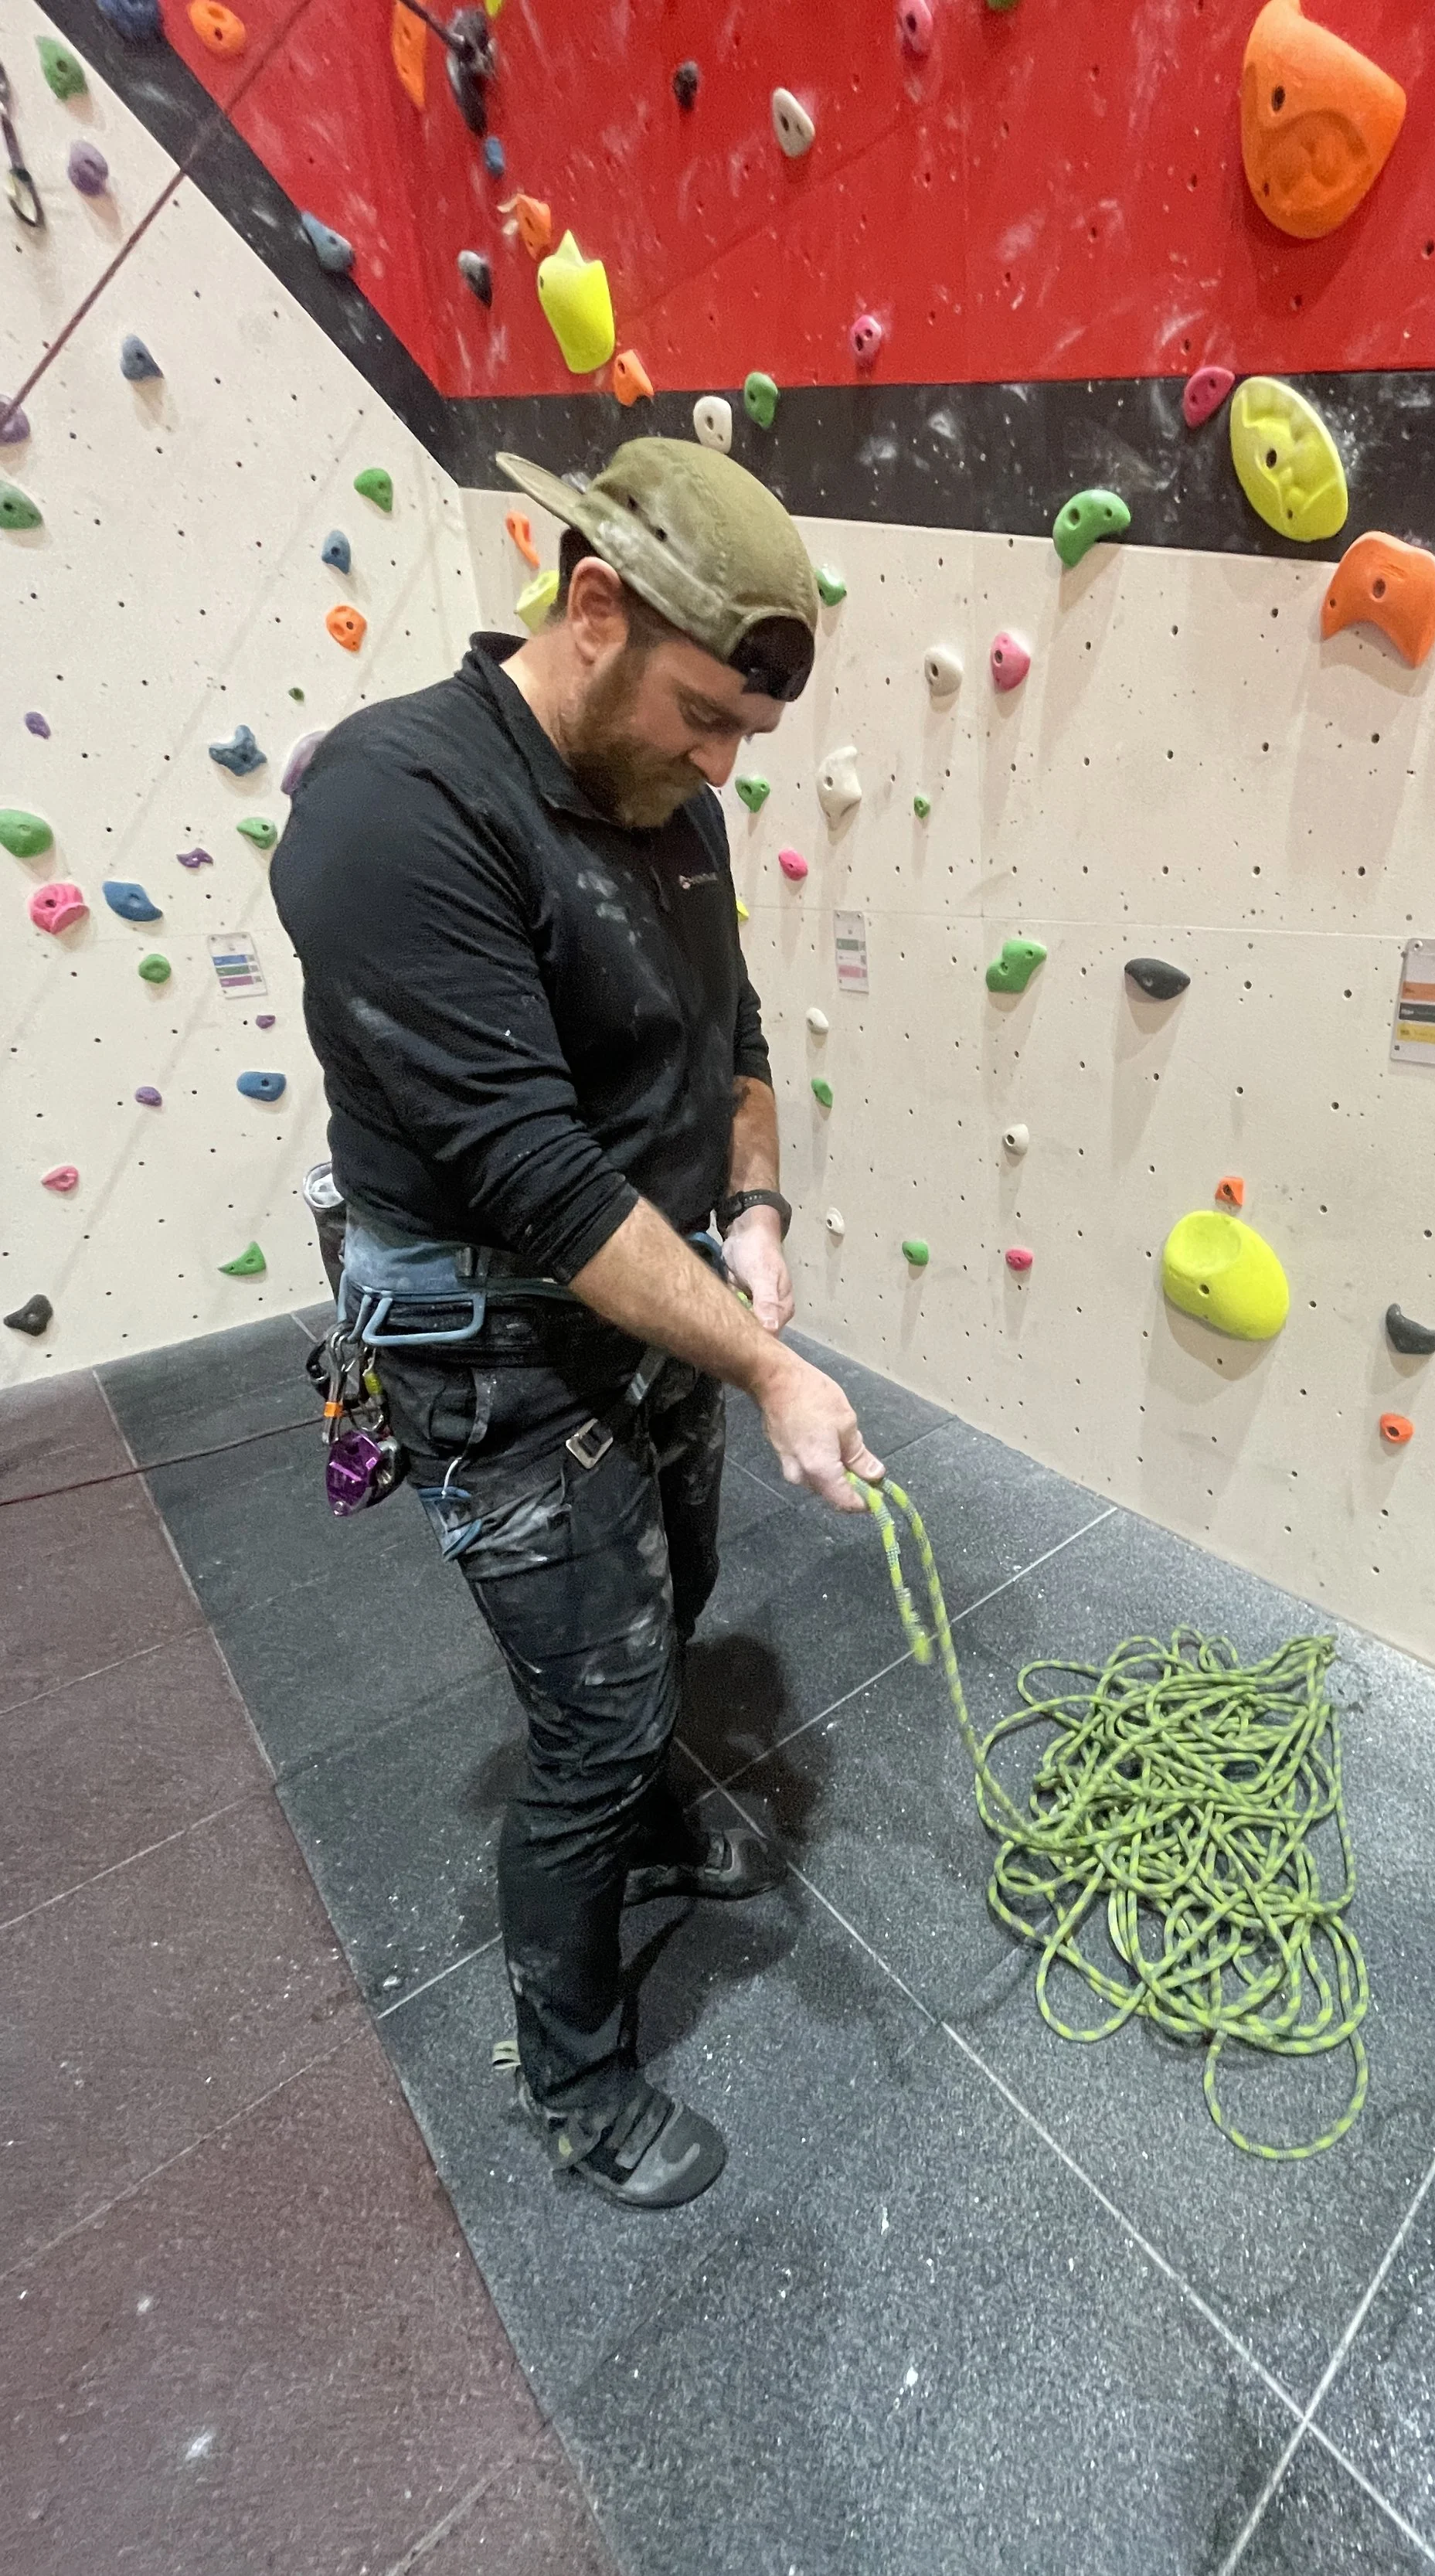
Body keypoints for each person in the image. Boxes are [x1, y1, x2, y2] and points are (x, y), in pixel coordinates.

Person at [272, 438, 882, 2212]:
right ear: (592, 606)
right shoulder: (396, 810)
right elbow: (532, 1176)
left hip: (654, 1293)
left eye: (742, 738)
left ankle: (649, 1807)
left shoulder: (671, 804)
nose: (719, 767)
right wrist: (766, 1359)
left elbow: (732, 1038)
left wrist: (752, 1220)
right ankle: (577, 2075)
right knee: (593, 1720)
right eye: (702, 718)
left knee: (670, 1604)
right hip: (490, 1341)